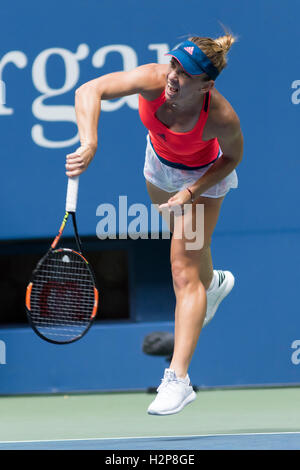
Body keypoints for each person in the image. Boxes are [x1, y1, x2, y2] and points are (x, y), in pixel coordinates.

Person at [65, 32, 243, 416]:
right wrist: (89, 142)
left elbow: (231, 158)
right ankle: (212, 285)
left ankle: (178, 381)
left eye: (186, 73)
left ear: (206, 85)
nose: (174, 75)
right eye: (174, 64)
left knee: (182, 268)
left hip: (202, 180)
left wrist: (193, 191)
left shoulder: (221, 116)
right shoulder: (153, 78)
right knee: (192, 252)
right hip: (159, 169)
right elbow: (89, 89)